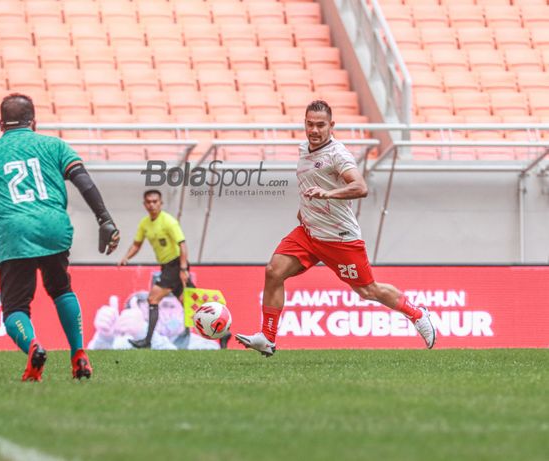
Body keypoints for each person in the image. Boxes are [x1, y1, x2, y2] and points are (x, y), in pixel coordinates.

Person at [235, 100, 436, 357]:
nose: (315, 130)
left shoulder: (337, 154)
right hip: (308, 232)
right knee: (273, 272)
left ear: (332, 126)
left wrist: (328, 194)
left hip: (339, 238)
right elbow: (311, 183)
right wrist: (305, 210)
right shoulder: (304, 149)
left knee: (367, 291)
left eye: (320, 125)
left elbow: (360, 187)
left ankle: (417, 314)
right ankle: (267, 337)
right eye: (310, 124)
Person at [0, 93, 120, 381]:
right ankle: (79, 353)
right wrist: (104, 219)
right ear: (34, 122)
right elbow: (83, 181)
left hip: (13, 233)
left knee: (15, 309)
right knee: (61, 290)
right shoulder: (54, 145)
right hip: (54, 228)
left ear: (0, 124)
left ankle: (34, 347)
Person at [118, 190, 198, 349]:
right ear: (144, 204)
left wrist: (183, 268)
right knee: (189, 303)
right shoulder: (145, 224)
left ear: (161, 203)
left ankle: (147, 341)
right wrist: (126, 257)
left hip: (175, 265)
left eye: (155, 201)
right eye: (148, 202)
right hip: (167, 267)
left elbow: (182, 244)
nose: (152, 205)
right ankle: (222, 332)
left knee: (153, 299)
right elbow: (137, 244)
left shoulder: (169, 221)